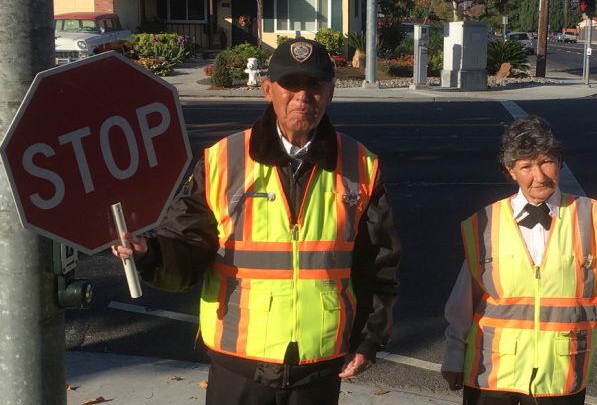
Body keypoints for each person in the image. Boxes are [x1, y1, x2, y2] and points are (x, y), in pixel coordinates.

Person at [113, 36, 400, 405]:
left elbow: (378, 264)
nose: (303, 96)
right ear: (267, 89)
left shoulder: (361, 165)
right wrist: (149, 253)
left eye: (314, 85)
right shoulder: (223, 160)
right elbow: (186, 247)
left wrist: (369, 339)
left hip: (320, 364)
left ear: (330, 93)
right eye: (290, 84)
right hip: (239, 364)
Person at [441, 115, 597, 405]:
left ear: (560, 161)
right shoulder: (485, 221)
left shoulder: (592, 216)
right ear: (510, 171)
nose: (539, 176)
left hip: (559, 376)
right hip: (491, 372)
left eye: (546, 162)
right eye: (526, 166)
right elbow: (463, 300)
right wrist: (453, 355)